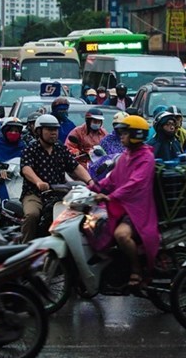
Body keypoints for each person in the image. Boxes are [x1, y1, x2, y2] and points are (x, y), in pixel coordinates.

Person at [90, 115, 159, 287]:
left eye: (125, 133)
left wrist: (110, 196)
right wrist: (91, 189)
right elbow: (112, 179)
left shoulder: (146, 158)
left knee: (121, 235)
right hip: (121, 205)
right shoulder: (126, 155)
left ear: (136, 134)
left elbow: (134, 184)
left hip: (137, 210)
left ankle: (136, 270)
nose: (121, 136)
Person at [19, 114, 92, 242]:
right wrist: (38, 182)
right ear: (39, 131)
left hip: (59, 194)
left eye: (55, 130)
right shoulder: (30, 149)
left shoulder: (60, 149)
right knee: (32, 215)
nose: (53, 133)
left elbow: (75, 167)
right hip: (35, 194)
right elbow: (26, 169)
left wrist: (90, 181)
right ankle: (26, 248)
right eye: (49, 130)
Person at [89, 111, 128, 179]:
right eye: (117, 126)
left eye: (123, 127)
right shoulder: (107, 140)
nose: (120, 129)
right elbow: (97, 162)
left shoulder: (131, 141)